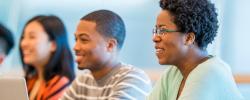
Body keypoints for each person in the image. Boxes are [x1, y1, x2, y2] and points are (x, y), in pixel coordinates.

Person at [147, 0, 244, 100]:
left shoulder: (209, 73)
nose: (155, 38)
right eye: (156, 31)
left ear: (189, 38)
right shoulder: (172, 74)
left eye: (163, 30)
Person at [61, 10, 151, 100]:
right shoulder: (83, 81)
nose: (75, 47)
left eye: (84, 39)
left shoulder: (133, 79)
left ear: (110, 45)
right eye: (76, 39)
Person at [20, 15, 75, 100]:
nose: (23, 43)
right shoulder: (31, 81)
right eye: (23, 37)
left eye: (32, 37)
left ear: (53, 45)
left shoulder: (60, 84)